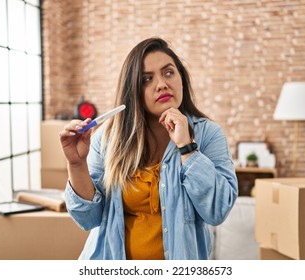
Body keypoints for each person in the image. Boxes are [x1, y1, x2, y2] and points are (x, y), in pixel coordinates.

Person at [59, 37, 238, 260]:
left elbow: (217, 210)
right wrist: (76, 164)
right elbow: (88, 220)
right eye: (146, 79)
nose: (161, 83)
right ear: (132, 89)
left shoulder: (208, 134)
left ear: (182, 78)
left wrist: (187, 147)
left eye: (169, 72)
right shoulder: (107, 138)